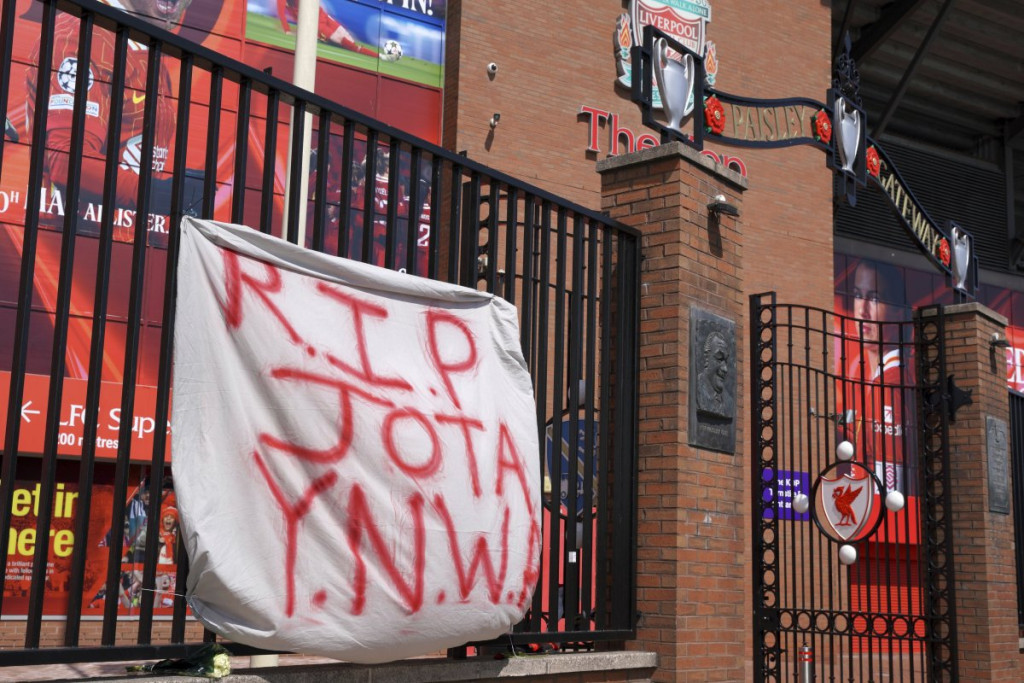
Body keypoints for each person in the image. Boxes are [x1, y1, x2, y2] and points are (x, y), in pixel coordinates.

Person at [24, 0, 191, 242]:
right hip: (66, 244)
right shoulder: (85, 35)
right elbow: (67, 162)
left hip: (119, 246)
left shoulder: (143, 46)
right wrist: (165, 195)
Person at [837, 260, 911, 494]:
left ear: (899, 312)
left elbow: (891, 484)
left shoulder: (890, 384)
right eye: (858, 295)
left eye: (875, 298)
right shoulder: (878, 380)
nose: (862, 310)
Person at [275, 0, 379, 57]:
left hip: (324, 16)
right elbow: (281, 13)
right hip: (316, 25)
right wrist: (287, 30)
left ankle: (378, 55)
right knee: (351, 46)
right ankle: (379, 56)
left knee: (351, 42)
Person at [696, 329, 732, 419]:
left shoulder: (729, 402)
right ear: (706, 357)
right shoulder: (696, 389)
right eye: (719, 359)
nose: (725, 369)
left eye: (726, 361)